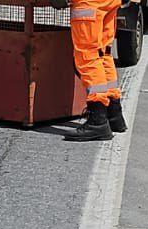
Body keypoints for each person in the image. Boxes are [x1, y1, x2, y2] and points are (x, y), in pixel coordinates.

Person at [51, 0, 128, 141]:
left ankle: (98, 121)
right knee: (103, 52)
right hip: (109, 2)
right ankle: (113, 114)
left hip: (89, 3)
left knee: (88, 55)